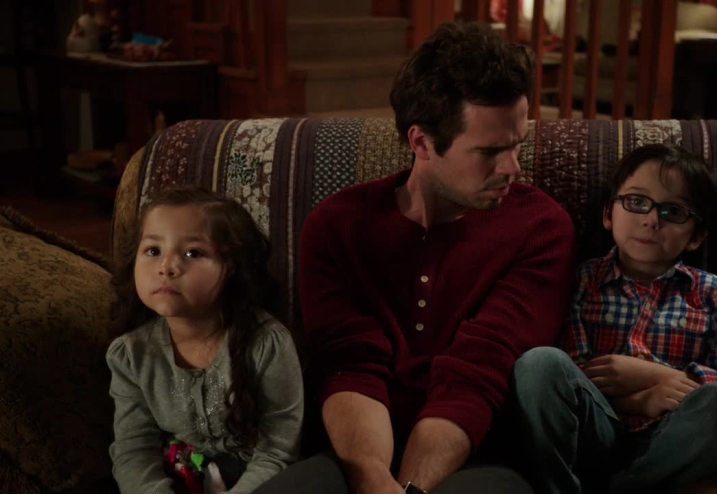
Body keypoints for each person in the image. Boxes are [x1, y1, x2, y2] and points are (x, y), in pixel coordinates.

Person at [255, 21, 576, 494]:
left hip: (480, 456)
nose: (513, 168)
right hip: (356, 452)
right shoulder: (337, 226)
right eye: (490, 151)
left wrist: (409, 490)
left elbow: (480, 372)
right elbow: (351, 364)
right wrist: (371, 478)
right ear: (421, 142)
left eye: (517, 145)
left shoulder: (541, 228)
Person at [513, 143, 717, 493]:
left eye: (673, 211)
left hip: (676, 437)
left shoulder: (711, 291)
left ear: (696, 236)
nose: (651, 220)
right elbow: (574, 373)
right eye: (636, 202)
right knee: (539, 363)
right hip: (596, 428)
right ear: (608, 214)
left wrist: (659, 376)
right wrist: (642, 400)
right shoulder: (585, 279)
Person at [106, 186, 304, 494]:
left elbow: (277, 450)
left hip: (260, 482)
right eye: (153, 251)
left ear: (231, 268)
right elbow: (133, 450)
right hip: (184, 479)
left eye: (193, 253)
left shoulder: (268, 343)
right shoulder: (130, 355)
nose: (166, 267)